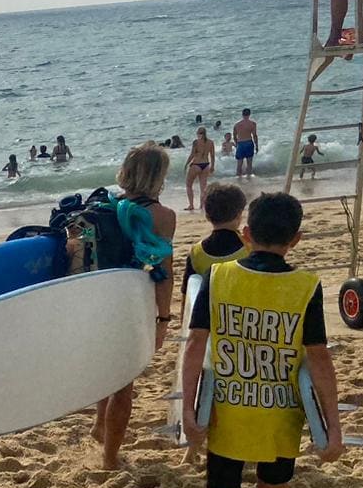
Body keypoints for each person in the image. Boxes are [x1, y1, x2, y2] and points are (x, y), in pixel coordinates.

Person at [181, 193, 343, 488]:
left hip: (227, 414)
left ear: (247, 234)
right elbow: (319, 359)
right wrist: (333, 427)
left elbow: (195, 346)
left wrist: (190, 412)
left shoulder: (218, 277)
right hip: (278, 419)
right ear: (296, 239)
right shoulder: (306, 286)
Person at [91, 143, 176, 470]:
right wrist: (163, 318)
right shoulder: (162, 216)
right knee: (124, 384)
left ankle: (99, 424)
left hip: (95, 300)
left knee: (106, 370)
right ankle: (110, 459)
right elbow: (164, 272)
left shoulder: (104, 206)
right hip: (128, 303)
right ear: (158, 176)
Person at [179, 183, 247, 317]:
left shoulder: (196, 252)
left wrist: (183, 321)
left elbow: (187, 294)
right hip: (240, 315)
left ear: (207, 216)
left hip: (209, 316)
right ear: (239, 214)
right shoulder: (249, 247)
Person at [185, 128, 215, 210]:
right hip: (206, 165)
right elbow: (212, 155)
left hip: (196, 164)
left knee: (188, 185)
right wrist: (212, 166)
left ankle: (191, 205)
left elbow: (192, 154)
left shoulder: (196, 142)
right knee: (203, 187)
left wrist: (186, 164)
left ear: (198, 133)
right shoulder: (210, 142)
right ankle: (202, 206)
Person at [232, 109, 258, 178]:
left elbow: (234, 136)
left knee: (239, 163)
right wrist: (256, 146)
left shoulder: (237, 124)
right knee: (249, 163)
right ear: (249, 114)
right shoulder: (252, 124)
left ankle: (238, 178)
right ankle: (249, 178)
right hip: (249, 142)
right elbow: (255, 136)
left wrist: (237, 144)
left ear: (242, 114)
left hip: (240, 143)